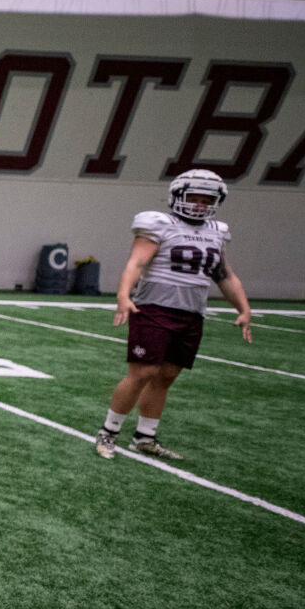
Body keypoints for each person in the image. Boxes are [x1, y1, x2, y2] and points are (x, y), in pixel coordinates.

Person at [93, 169, 252, 460]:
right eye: (195, 197)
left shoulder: (216, 232)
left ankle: (145, 437)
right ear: (177, 196)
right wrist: (123, 294)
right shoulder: (159, 224)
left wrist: (243, 308)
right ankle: (108, 431)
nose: (200, 204)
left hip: (191, 312)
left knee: (166, 375)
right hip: (154, 307)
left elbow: (224, 274)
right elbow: (137, 262)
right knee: (143, 372)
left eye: (207, 199)